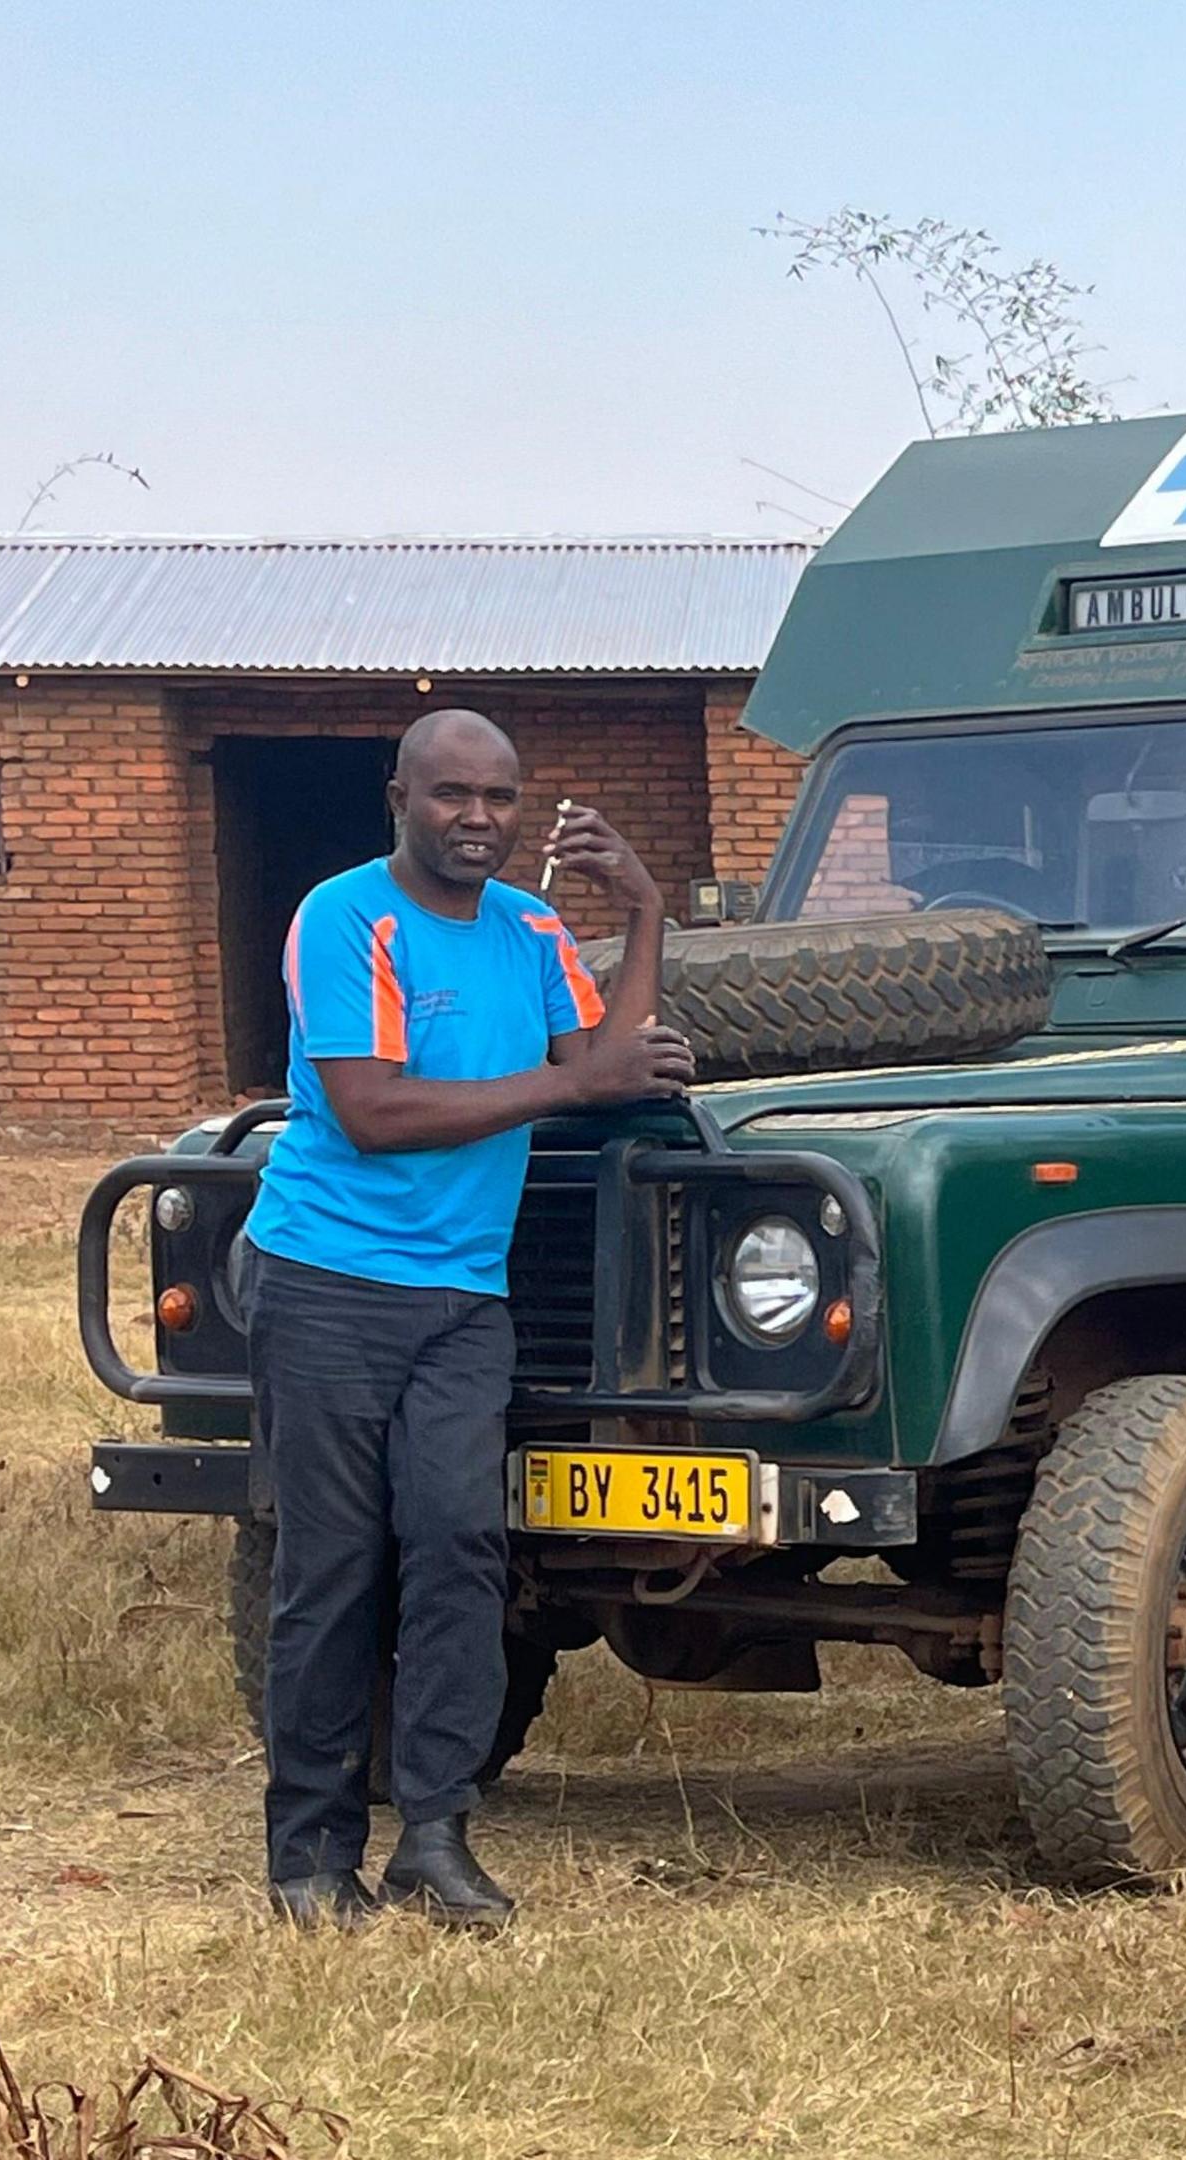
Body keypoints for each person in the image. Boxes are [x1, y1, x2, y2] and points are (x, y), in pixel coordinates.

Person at [241, 709, 693, 1931]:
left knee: (458, 1554)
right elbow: (375, 1111)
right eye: (452, 794)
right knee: (332, 1571)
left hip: (464, 1302)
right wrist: (574, 1080)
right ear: (400, 795)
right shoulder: (345, 918)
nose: (478, 818)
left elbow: (615, 1064)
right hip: (329, 1283)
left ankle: (434, 1838)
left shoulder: (534, 926)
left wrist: (645, 916)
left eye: (499, 796)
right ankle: (309, 1857)